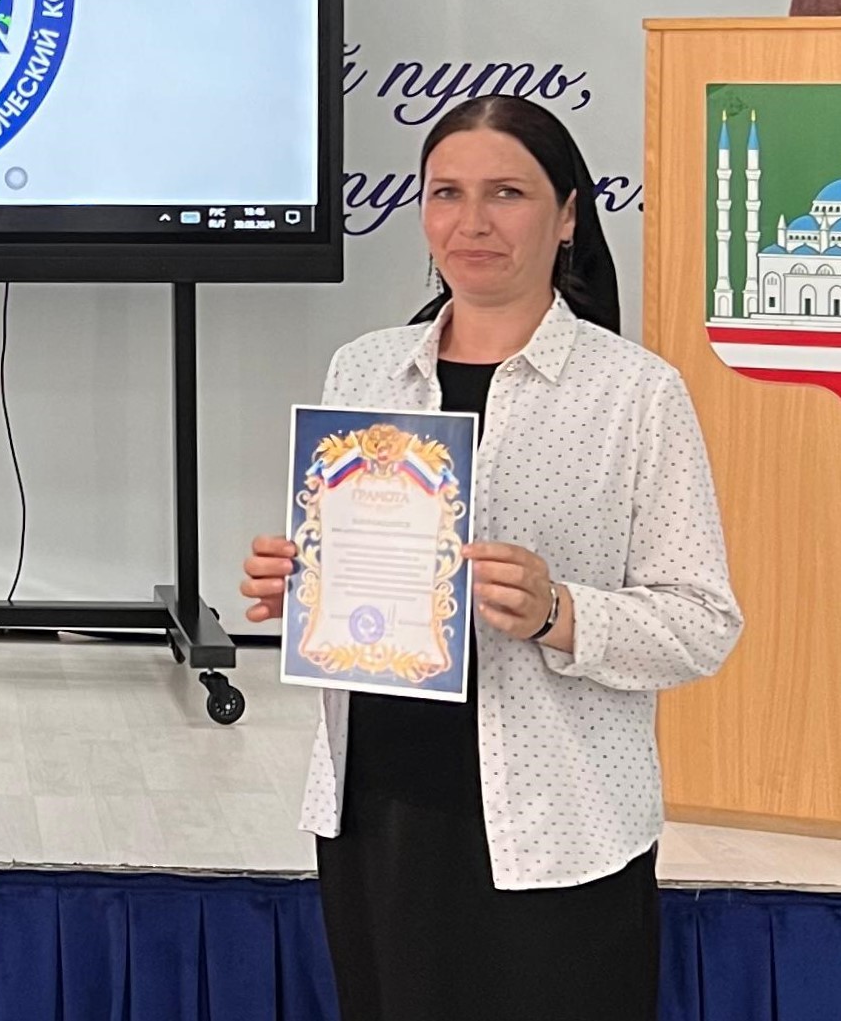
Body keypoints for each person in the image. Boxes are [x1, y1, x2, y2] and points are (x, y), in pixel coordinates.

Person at [242, 94, 742, 1021]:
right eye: (445, 193)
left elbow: (702, 622)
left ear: (566, 215)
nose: (470, 222)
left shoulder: (635, 393)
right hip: (375, 814)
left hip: (558, 830)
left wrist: (560, 612)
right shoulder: (364, 369)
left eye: (506, 193)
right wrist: (301, 582)